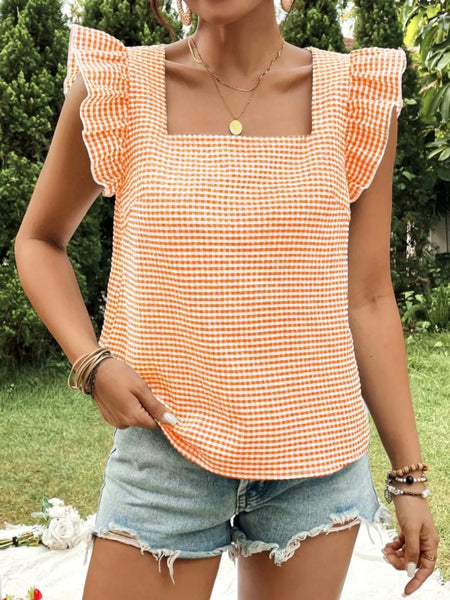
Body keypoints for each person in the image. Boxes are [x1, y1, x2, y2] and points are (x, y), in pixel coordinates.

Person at [14, 1, 440, 599]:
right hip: (165, 450)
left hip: (315, 459)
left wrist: (409, 481)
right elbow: (38, 241)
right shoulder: (119, 85)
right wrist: (91, 361)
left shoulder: (354, 96)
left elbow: (368, 297)